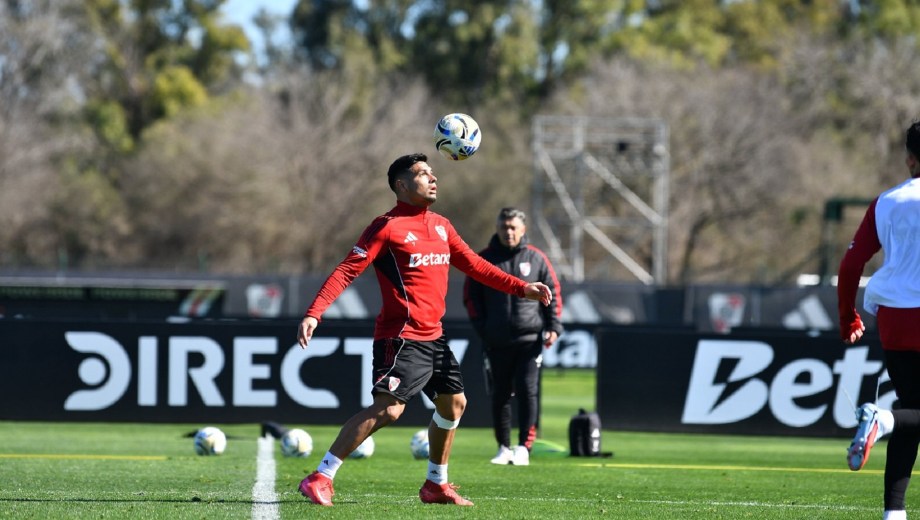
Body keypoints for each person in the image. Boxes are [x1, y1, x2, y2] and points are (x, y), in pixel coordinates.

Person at [296, 153, 553, 507]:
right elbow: (347, 270)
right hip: (401, 337)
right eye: (422, 174)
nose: (433, 179)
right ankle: (320, 476)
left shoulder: (442, 226)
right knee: (389, 409)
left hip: (434, 336)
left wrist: (521, 288)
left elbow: (476, 266)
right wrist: (315, 312)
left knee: (454, 405)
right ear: (401, 185)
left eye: (433, 173)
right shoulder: (386, 226)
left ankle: (435, 485)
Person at [837, 121, 920, 520]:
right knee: (903, 415)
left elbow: (853, 262)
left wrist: (846, 315)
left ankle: (894, 514)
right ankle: (881, 418)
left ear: (910, 159)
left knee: (912, 413)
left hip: (893, 319)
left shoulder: (887, 201)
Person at [462, 207, 563, 466]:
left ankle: (524, 448)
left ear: (523, 229)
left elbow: (552, 294)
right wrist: (484, 328)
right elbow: (471, 297)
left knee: (528, 392)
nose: (508, 232)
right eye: (504, 227)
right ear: (497, 228)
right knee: (501, 394)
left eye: (513, 227)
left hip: (529, 341)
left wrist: (553, 326)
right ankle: (503, 447)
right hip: (496, 340)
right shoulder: (483, 258)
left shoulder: (536, 258)